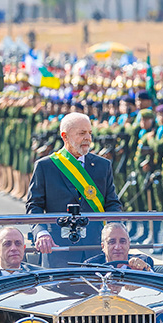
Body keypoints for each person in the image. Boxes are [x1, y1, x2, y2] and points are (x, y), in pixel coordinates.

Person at [27, 112, 122, 261]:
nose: (88, 138)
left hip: (95, 249)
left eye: (90, 133)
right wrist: (41, 232)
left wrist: (115, 230)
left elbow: (112, 203)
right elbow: (34, 206)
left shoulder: (103, 165)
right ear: (65, 136)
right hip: (57, 249)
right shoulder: (45, 166)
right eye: (82, 133)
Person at [86, 223, 152, 271]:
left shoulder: (144, 261)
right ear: (103, 247)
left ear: (128, 244)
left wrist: (143, 268)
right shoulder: (91, 266)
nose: (117, 247)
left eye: (122, 241)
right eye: (112, 242)